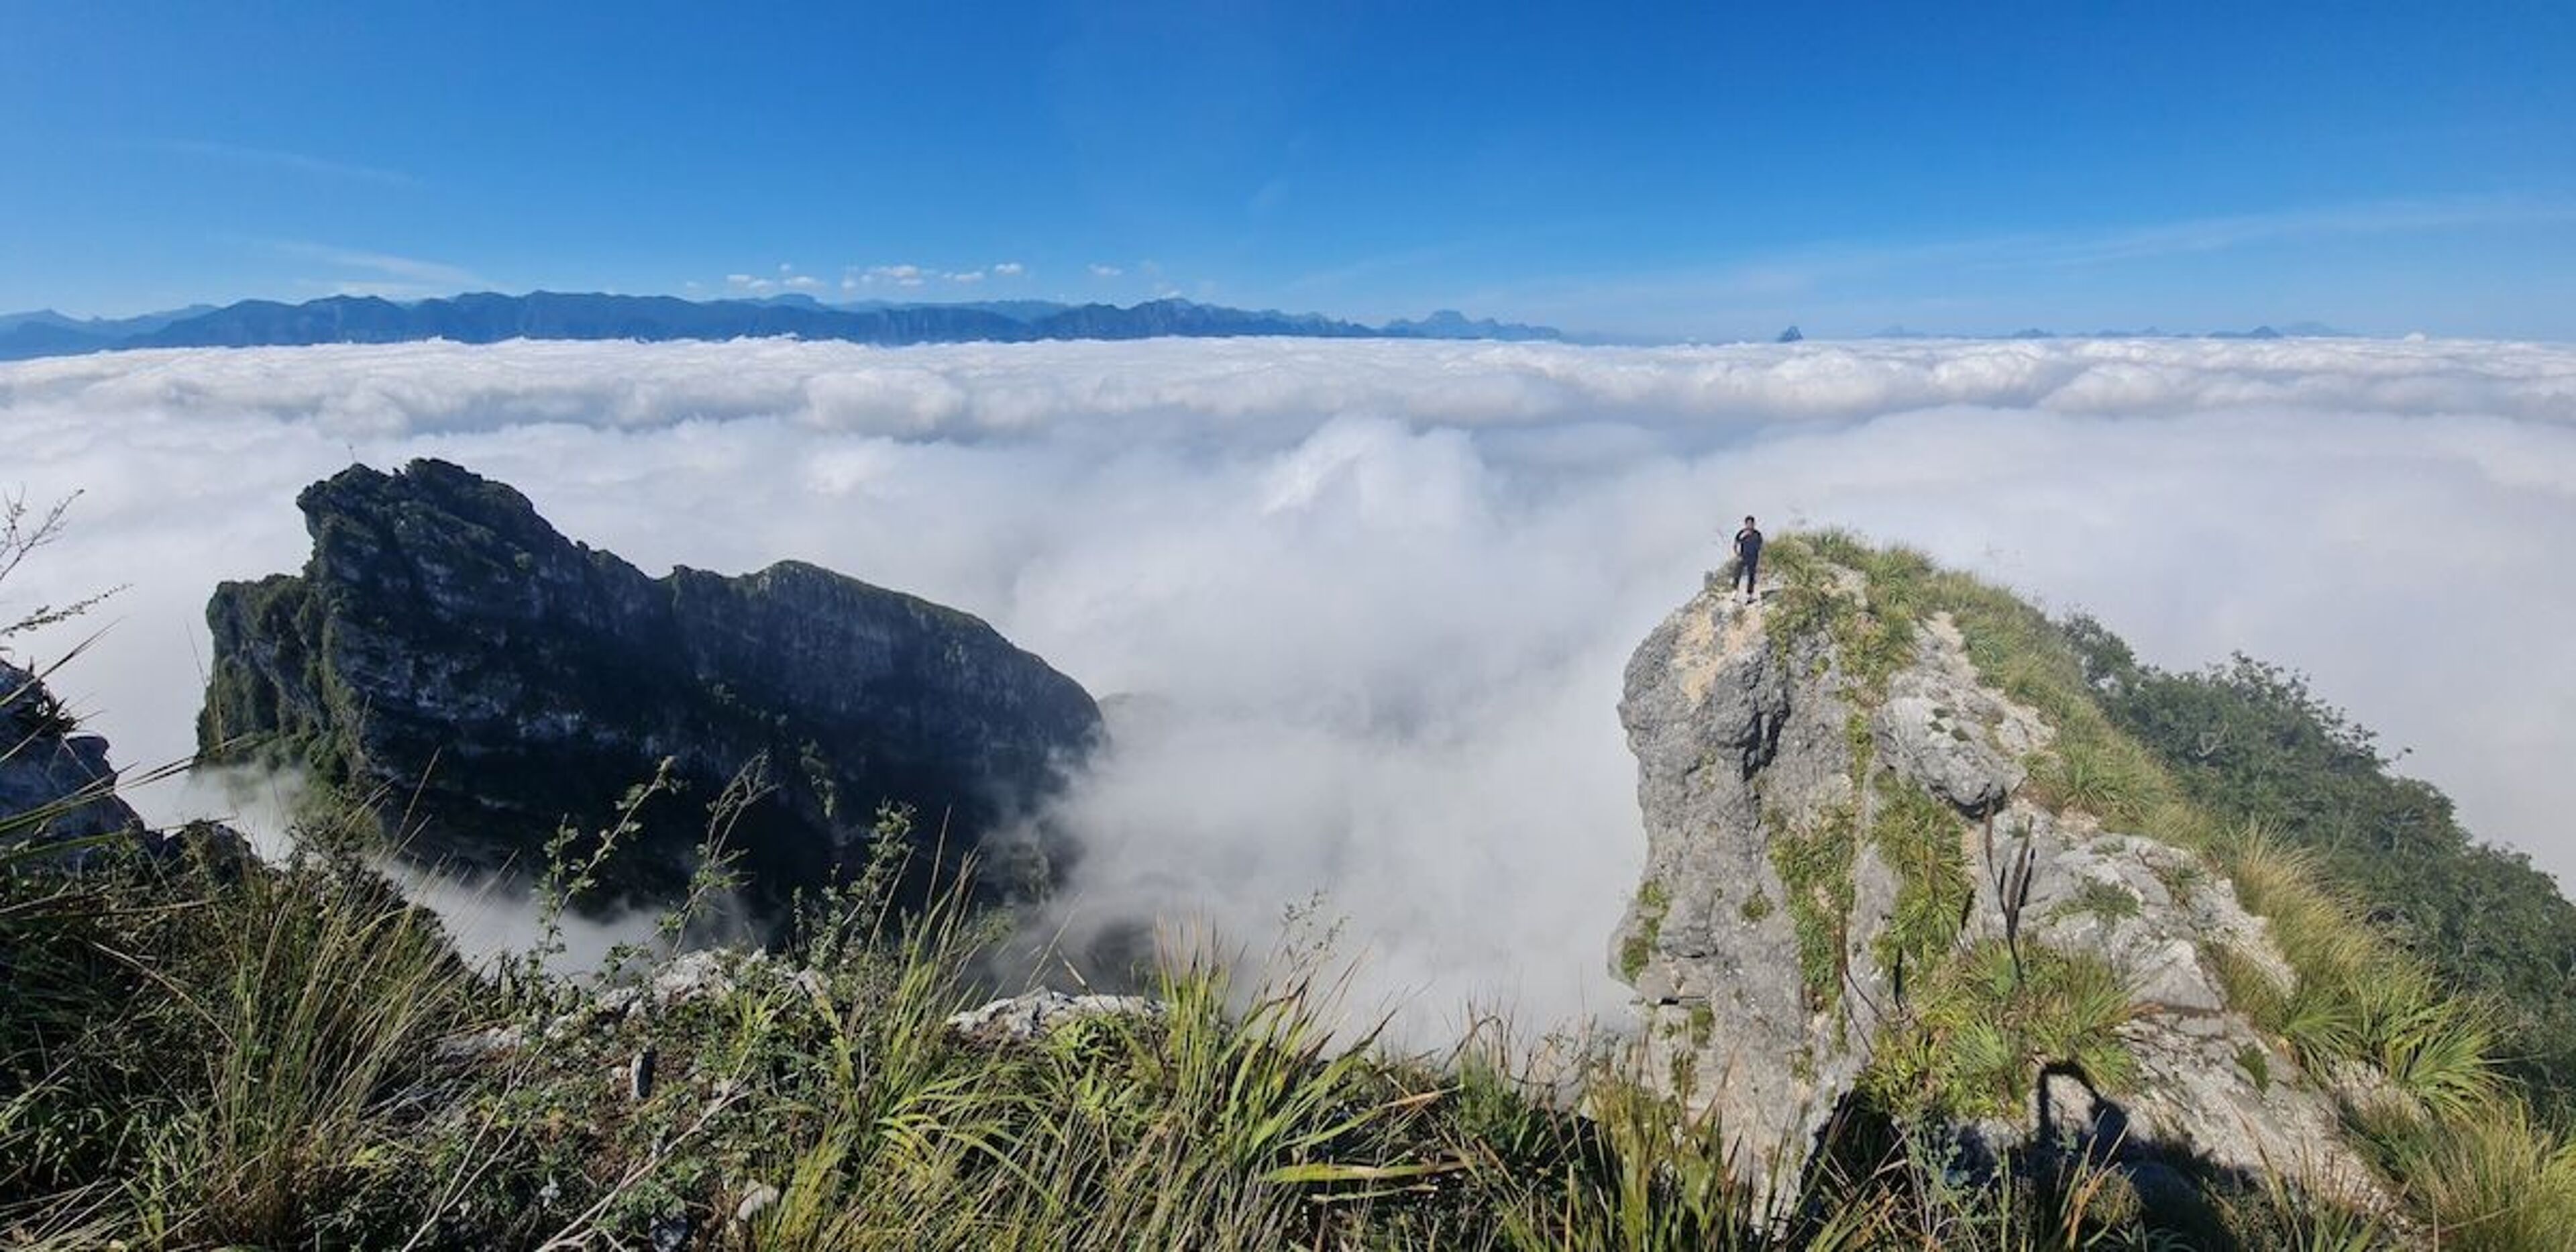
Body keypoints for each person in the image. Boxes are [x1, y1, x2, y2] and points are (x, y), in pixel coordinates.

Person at [1732, 516, 1763, 602]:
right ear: (1746, 524)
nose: (1750, 525)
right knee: (1737, 574)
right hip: (1743, 557)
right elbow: (1735, 545)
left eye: (1752, 523)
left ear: (1754, 524)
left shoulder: (1758, 534)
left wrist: (1760, 559)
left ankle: (1750, 595)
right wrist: (1738, 555)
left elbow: (1760, 547)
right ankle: (1734, 593)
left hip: (1753, 558)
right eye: (1748, 523)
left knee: (1751, 577)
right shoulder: (1741, 533)